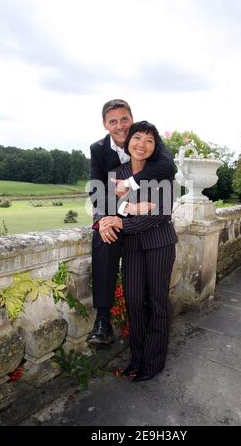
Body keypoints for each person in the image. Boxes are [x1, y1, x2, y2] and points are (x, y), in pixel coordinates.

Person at [88, 100, 175, 344]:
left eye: (124, 119)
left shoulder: (144, 138)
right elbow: (97, 191)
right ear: (105, 124)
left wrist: (131, 183)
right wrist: (118, 211)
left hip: (148, 217)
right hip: (114, 207)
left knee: (150, 294)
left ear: (131, 118)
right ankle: (103, 319)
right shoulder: (98, 149)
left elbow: (169, 166)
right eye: (112, 121)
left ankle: (149, 344)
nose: (120, 125)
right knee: (104, 235)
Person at [101, 121, 177, 382]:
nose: (142, 144)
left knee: (156, 303)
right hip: (131, 246)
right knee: (134, 303)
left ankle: (153, 363)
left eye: (149, 140)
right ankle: (137, 358)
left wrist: (125, 218)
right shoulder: (116, 172)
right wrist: (133, 209)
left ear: (156, 146)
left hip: (160, 243)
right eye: (137, 138)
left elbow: (161, 213)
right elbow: (112, 207)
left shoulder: (162, 172)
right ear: (128, 140)